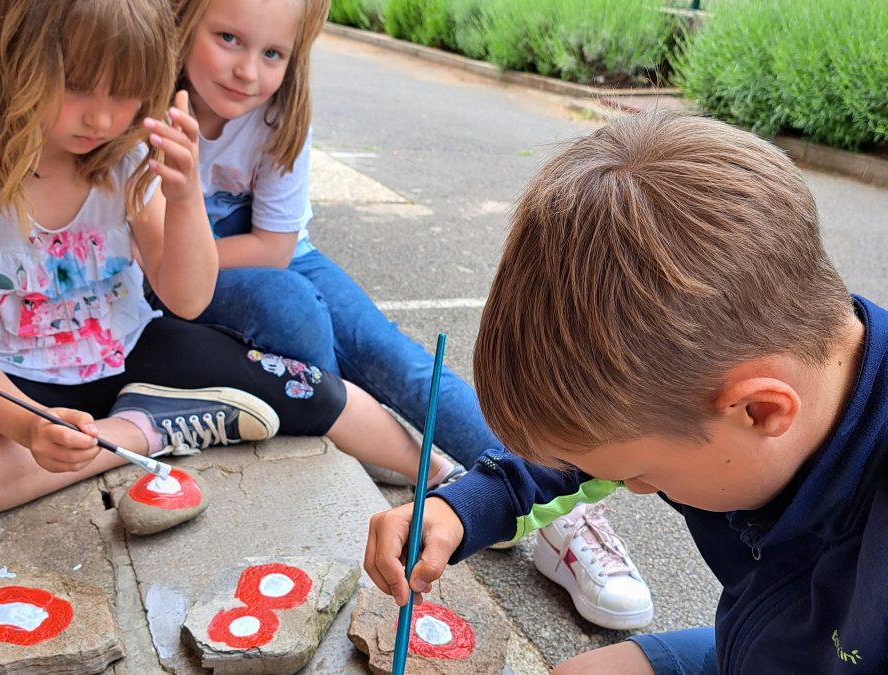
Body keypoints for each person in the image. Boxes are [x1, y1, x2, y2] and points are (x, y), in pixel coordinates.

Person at [363, 111, 888, 673]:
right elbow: (587, 457)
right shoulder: (746, 369)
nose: (631, 488)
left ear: (762, 409)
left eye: (646, 475)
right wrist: (462, 509)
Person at [0, 0, 457, 529]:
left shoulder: (126, 147)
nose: (102, 118)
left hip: (131, 348)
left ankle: (443, 479)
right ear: (15, 51)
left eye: (125, 94)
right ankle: (145, 430)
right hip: (9, 373)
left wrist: (184, 196)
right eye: (78, 86)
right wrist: (31, 427)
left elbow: (187, 298)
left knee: (308, 390)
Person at [150, 0, 653, 628]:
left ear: (295, 55)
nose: (247, 70)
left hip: (268, 253)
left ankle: (562, 504)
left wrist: (191, 253)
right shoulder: (146, 103)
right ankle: (390, 450)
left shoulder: (281, 115)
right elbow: (159, 264)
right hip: (187, 273)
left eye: (273, 53)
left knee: (395, 358)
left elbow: (276, 246)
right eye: (227, 38)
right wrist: (185, 259)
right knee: (299, 315)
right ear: (182, 21)